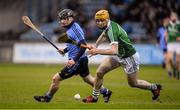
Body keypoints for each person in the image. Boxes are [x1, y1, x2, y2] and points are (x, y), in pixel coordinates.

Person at [82, 9, 162, 103]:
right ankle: (94, 98)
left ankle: (154, 87)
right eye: (97, 21)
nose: (99, 23)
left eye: (101, 20)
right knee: (99, 72)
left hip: (129, 57)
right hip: (119, 55)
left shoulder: (112, 30)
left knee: (133, 83)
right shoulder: (108, 27)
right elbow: (103, 35)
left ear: (107, 19)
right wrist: (95, 46)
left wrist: (96, 51)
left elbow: (113, 51)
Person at [33, 9, 112, 103]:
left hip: (77, 61)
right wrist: (65, 50)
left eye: (64, 18)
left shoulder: (75, 29)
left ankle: (47, 97)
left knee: (56, 78)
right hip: (81, 60)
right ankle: (106, 92)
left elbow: (83, 46)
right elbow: (75, 44)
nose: (62, 21)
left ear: (70, 18)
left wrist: (74, 60)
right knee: (88, 79)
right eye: (61, 19)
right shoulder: (70, 29)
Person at [166, 12, 180, 79]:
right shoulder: (169, 24)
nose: (173, 17)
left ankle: (178, 73)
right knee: (169, 59)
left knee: (178, 60)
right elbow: (167, 32)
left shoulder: (179, 24)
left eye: (174, 16)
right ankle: (174, 69)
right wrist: (166, 38)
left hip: (177, 44)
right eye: (172, 16)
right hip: (170, 43)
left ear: (176, 17)